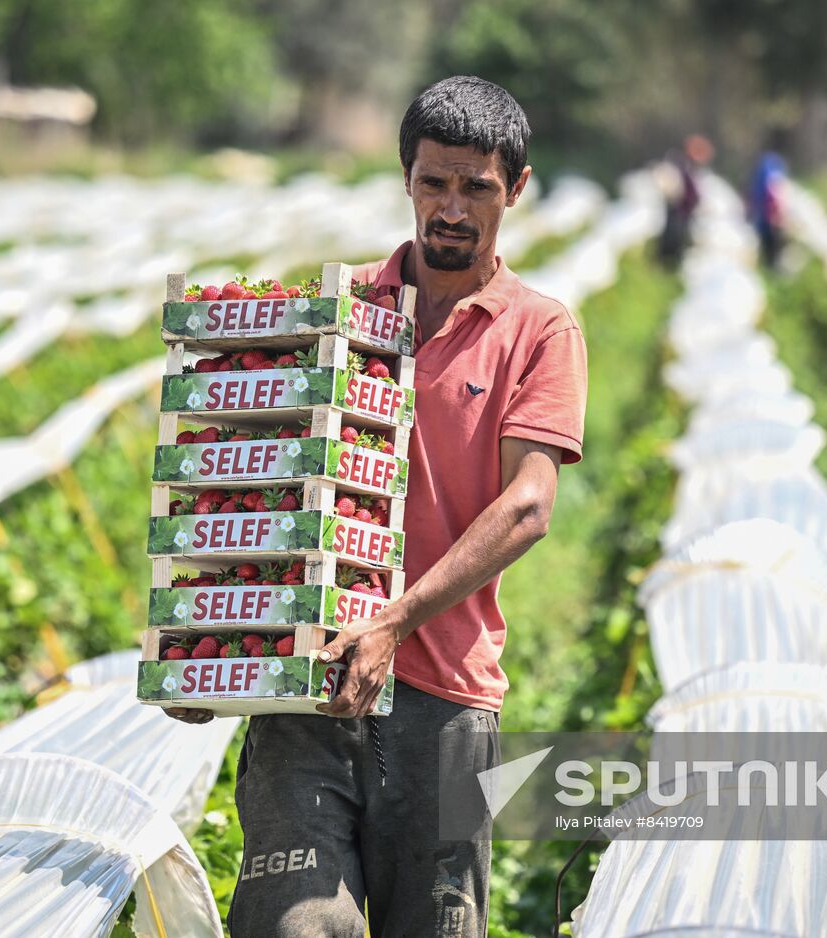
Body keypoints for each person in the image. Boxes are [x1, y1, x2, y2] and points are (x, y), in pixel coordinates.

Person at [166, 75, 588, 938]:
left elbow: (529, 504)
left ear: (517, 188)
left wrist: (394, 620)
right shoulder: (336, 311)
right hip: (308, 695)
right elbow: (251, 480)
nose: (452, 207)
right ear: (406, 179)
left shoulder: (539, 331)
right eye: (434, 182)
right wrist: (214, 650)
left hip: (445, 695)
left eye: (477, 186)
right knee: (290, 928)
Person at [747, 151, 787, 268]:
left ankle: (770, 267)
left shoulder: (762, 176)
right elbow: (776, 200)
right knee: (772, 246)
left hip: (766, 218)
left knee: (769, 246)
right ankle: (772, 268)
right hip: (771, 219)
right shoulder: (774, 177)